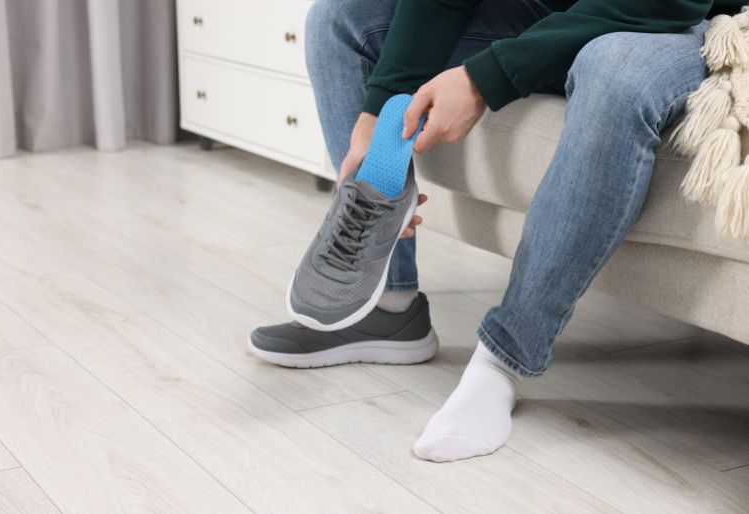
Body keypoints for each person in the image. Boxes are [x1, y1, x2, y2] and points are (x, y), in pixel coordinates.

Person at [250, 0, 743, 463]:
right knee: (342, 18)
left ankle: (503, 360)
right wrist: (380, 107)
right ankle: (388, 309)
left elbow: (664, 4)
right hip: (553, 10)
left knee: (615, 69)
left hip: (683, 22)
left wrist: (485, 78)